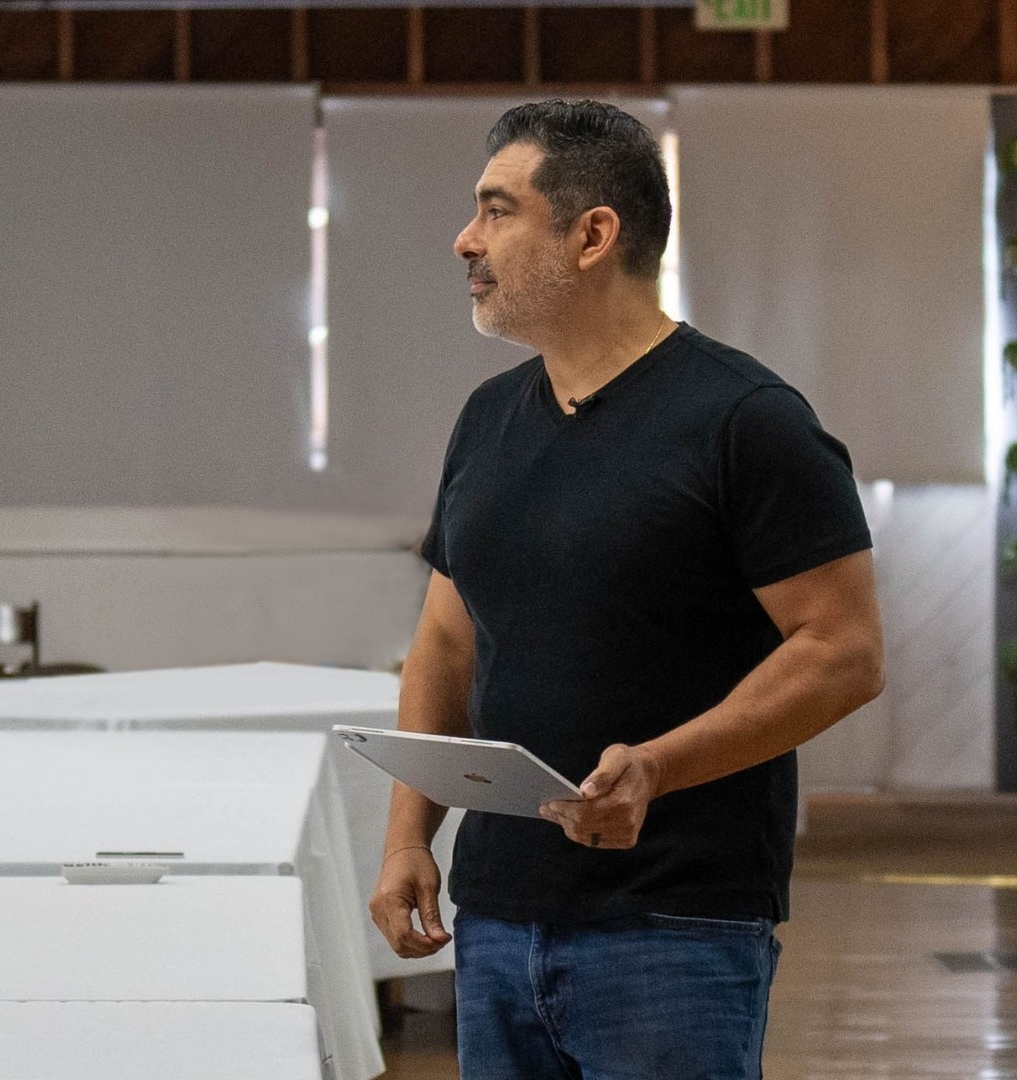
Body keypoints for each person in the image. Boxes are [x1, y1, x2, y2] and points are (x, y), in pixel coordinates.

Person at [369, 99, 884, 1080]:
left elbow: (843, 654)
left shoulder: (747, 419)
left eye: (497, 211)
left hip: (675, 925)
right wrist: (406, 840)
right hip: (498, 915)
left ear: (593, 235)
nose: (465, 240)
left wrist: (657, 766)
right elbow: (446, 642)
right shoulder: (487, 419)